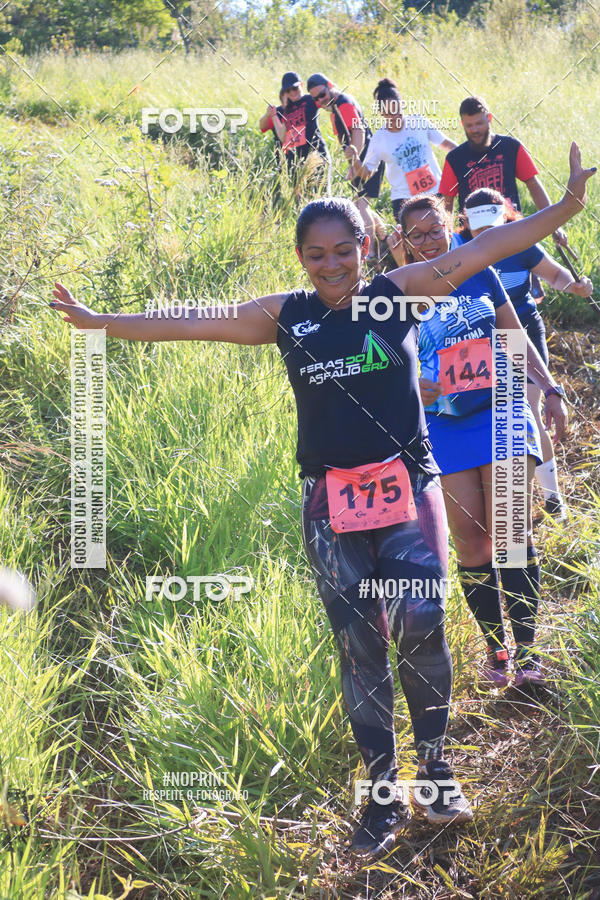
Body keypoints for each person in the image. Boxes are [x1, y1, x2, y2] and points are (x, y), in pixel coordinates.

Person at [49, 145, 594, 860]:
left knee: (422, 620)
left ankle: (436, 772)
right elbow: (192, 317)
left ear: (365, 248)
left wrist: (565, 208)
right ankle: (381, 793)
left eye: (343, 251)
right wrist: (101, 321)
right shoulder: (287, 316)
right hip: (330, 505)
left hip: (406, 488)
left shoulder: (397, 293)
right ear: (301, 258)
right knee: (360, 644)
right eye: (315, 255)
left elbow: (488, 246)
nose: (331, 265)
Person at [405, 183, 578, 689]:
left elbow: (514, 336)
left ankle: (529, 655)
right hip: (443, 424)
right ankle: (496, 652)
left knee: (511, 534)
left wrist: (550, 389)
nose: (428, 241)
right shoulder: (398, 291)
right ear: (404, 242)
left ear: (450, 226)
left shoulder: (480, 270)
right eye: (417, 235)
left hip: (502, 412)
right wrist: (413, 383)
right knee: (472, 544)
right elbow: (386, 361)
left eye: (435, 229)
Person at [455, 188, 594, 520]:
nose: (487, 237)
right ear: (466, 224)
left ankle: (553, 499)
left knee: (528, 411)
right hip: (480, 340)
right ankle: (505, 501)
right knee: (494, 414)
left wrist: (574, 286)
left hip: (523, 331)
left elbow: (555, 274)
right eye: (478, 229)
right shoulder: (455, 248)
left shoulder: (522, 243)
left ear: (506, 218)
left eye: (492, 227)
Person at [438, 96, 568, 249]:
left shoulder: (511, 147)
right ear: (462, 124)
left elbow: (533, 184)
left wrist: (553, 224)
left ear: (489, 118)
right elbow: (447, 202)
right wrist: (447, 238)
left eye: (479, 123)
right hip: (472, 239)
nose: (475, 130)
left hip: (511, 230)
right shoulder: (455, 158)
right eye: (469, 125)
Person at [358, 78, 457, 224]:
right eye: (389, 112)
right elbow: (367, 172)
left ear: (402, 104)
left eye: (397, 109)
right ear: (381, 113)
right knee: (411, 237)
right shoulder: (379, 138)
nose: (394, 115)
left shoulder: (419, 122)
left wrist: (467, 154)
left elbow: (446, 144)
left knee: (440, 232)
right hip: (403, 199)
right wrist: (355, 161)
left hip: (434, 192)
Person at [306, 72, 386, 254]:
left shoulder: (344, 104)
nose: (320, 101)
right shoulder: (336, 108)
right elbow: (345, 140)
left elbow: (358, 131)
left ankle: (371, 253)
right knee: (358, 205)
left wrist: (355, 159)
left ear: (330, 85)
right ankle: (384, 239)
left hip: (369, 160)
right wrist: (352, 164)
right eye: (316, 99)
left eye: (322, 95)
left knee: (362, 206)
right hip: (361, 161)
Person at [259, 72, 331, 193]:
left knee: (322, 195)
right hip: (293, 163)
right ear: (284, 93)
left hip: (317, 155)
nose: (293, 92)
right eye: (288, 90)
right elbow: (263, 127)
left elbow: (328, 104)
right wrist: (268, 114)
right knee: (300, 199)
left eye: (295, 88)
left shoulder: (310, 100)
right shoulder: (280, 111)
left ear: (301, 85)